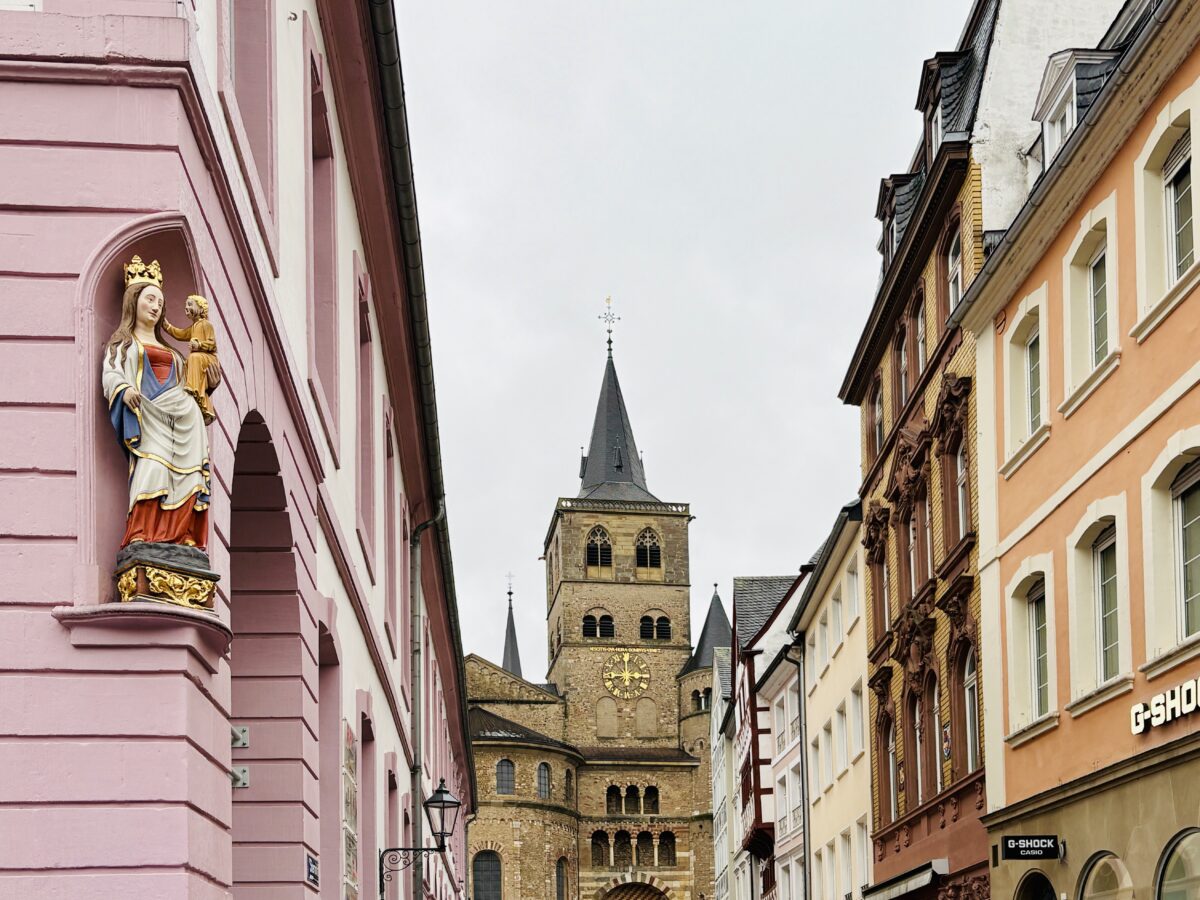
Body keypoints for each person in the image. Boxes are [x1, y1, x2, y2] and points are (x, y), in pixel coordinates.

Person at [101, 256, 211, 549]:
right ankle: (142, 534)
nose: (155, 307)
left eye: (160, 304)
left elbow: (193, 382)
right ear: (133, 301)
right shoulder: (123, 344)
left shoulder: (173, 352)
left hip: (185, 421)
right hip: (147, 416)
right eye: (150, 299)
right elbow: (111, 373)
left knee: (189, 477)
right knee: (153, 469)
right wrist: (124, 389)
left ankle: (183, 535)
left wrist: (209, 376)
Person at [163, 293, 220, 424]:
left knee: (193, 358)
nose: (186, 307)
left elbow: (213, 344)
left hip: (208, 359)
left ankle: (193, 389)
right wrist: (167, 326)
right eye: (186, 305)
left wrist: (199, 345)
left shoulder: (206, 325)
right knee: (189, 361)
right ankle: (198, 395)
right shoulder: (194, 327)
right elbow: (180, 334)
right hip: (199, 358)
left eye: (189, 304)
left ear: (200, 309)